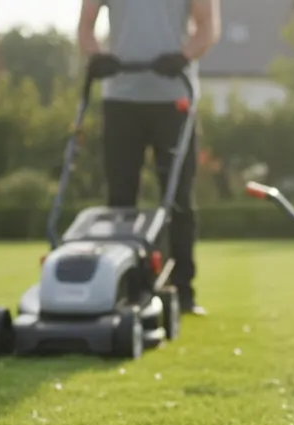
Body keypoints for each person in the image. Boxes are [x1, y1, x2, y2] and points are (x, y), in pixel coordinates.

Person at [78, 0, 221, 317]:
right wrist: (97, 56)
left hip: (174, 97)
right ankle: (122, 285)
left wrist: (183, 56)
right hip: (120, 97)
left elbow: (208, 27)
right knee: (120, 199)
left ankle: (182, 291)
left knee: (179, 198)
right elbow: (85, 26)